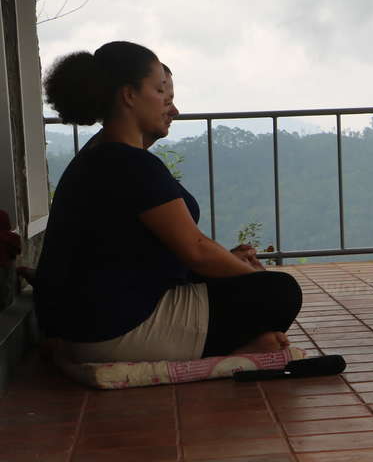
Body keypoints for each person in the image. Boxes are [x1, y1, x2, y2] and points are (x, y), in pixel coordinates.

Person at [35, 40, 301, 363]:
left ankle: (239, 341)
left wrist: (228, 264)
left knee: (244, 280)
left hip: (85, 322)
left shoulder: (101, 154)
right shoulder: (128, 164)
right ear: (129, 95)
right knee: (279, 291)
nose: (172, 108)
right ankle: (233, 353)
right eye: (161, 91)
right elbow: (197, 250)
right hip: (110, 330)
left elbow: (141, 253)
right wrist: (253, 277)